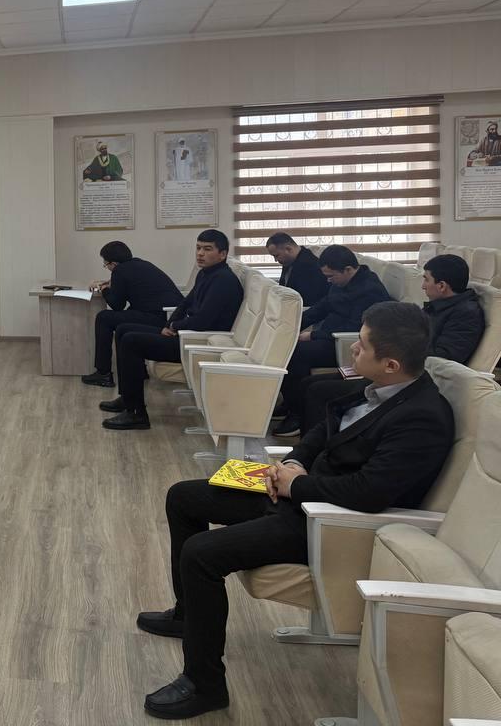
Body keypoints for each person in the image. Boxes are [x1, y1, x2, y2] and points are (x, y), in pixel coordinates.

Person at [134, 302, 453, 720]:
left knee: (201, 554)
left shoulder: (423, 418)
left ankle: (204, 684)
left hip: (326, 521)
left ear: (391, 364)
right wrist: (292, 463)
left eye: (361, 345)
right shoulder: (377, 387)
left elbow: (369, 492)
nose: (353, 349)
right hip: (296, 487)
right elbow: (322, 430)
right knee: (183, 496)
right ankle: (186, 615)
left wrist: (295, 485)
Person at [297, 253, 486, 431]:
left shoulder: (465, 314)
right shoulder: (438, 307)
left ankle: (320, 447)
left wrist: (386, 357)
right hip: (392, 368)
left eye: (426, 279)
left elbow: (445, 357)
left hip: (404, 377)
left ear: (442, 285)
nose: (423, 286)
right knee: (308, 384)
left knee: (317, 391)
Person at [100, 229, 243, 431]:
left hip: (198, 343)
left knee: (131, 341)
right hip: (186, 333)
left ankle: (137, 414)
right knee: (123, 329)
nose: (200, 253)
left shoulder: (223, 281)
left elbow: (203, 321)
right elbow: (185, 304)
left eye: (207, 249)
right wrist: (170, 324)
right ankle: (127, 398)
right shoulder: (206, 274)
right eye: (198, 248)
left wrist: (175, 326)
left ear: (223, 254)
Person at [271, 244, 390, 437]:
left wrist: (313, 335)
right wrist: (293, 324)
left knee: (296, 354)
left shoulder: (369, 290)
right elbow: (323, 307)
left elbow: (354, 327)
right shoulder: (340, 283)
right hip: (329, 335)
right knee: (286, 347)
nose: (328, 281)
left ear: (348, 270)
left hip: (345, 343)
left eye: (331, 276)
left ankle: (297, 415)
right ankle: (292, 403)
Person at [82, 241, 184, 388]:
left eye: (106, 265)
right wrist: (111, 284)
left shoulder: (119, 271)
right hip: (170, 316)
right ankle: (139, 371)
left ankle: (103, 373)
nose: (107, 268)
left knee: (104, 317)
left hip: (157, 318)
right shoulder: (141, 264)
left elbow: (117, 305)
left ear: (114, 264)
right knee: (124, 317)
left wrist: (103, 289)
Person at [265, 232, 328, 306]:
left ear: (288, 249)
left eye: (276, 255)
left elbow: (307, 301)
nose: (275, 260)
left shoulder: (309, 266)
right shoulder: (288, 260)